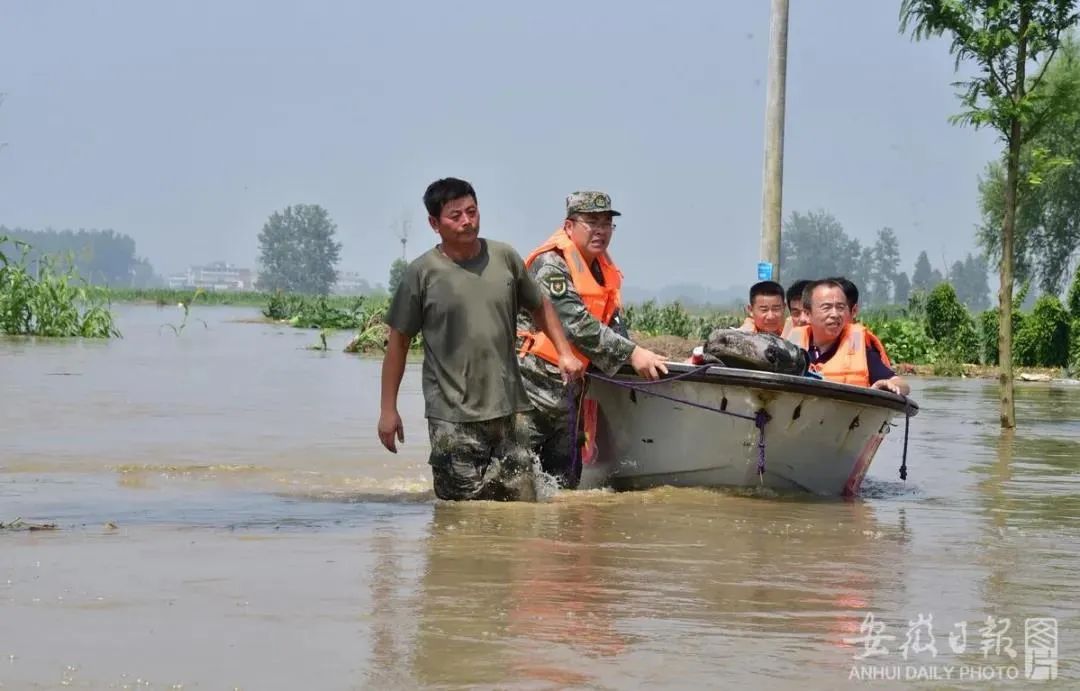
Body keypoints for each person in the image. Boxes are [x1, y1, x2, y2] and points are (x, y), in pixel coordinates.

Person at [378, 177, 584, 502]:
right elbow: (398, 343)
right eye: (455, 215)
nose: (467, 221)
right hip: (452, 417)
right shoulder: (421, 273)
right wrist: (388, 410)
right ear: (434, 223)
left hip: (509, 410)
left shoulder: (504, 258)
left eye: (472, 212)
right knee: (460, 515)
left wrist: (564, 352)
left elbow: (540, 304)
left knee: (521, 506)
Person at [516, 190, 669, 489]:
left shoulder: (602, 268)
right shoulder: (552, 264)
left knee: (562, 486)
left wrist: (643, 354)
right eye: (591, 222)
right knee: (518, 479)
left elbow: (611, 323)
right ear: (570, 226)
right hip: (530, 390)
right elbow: (576, 324)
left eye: (607, 223)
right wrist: (633, 354)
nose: (600, 230)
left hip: (569, 392)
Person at [787, 279, 909, 395]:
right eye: (827, 307)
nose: (835, 314)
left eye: (840, 307)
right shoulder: (790, 349)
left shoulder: (861, 349)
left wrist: (890, 385)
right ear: (808, 314)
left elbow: (902, 385)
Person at [827, 276, 893, 367]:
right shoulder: (808, 342)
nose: (832, 314)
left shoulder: (856, 340)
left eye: (839, 307)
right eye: (826, 307)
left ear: (854, 311)